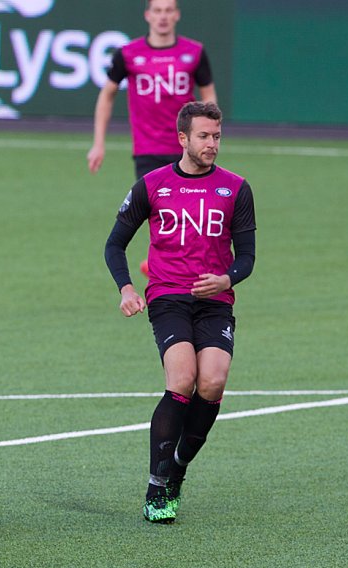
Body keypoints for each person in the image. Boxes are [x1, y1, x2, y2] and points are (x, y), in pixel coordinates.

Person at [103, 101, 256, 524]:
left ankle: (178, 470)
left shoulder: (236, 188)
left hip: (215, 301)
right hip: (168, 297)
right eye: (204, 136)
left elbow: (247, 257)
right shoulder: (152, 185)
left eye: (217, 136)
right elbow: (114, 244)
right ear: (183, 138)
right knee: (183, 379)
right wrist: (127, 288)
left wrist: (226, 280)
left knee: (213, 381)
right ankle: (156, 485)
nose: (212, 144)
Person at [87, 0, 217, 180]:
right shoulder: (128, 53)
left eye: (168, 10)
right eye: (157, 11)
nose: (162, 16)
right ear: (148, 15)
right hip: (147, 150)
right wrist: (98, 143)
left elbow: (208, 93)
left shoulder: (194, 52)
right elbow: (107, 94)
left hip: (186, 147)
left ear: (177, 15)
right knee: (152, 207)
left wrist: (208, 135)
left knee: (190, 205)